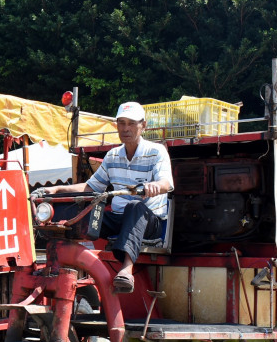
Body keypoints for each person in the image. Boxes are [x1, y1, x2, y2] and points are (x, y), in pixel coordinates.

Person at [31, 101, 173, 294]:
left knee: (134, 206)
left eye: (131, 123)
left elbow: (167, 183)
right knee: (84, 210)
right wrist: (57, 190)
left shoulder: (156, 152)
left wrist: (153, 186)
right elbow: (91, 186)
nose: (125, 128)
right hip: (118, 220)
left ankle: (127, 269)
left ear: (143, 126)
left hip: (149, 222)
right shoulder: (113, 156)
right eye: (121, 123)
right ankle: (63, 261)